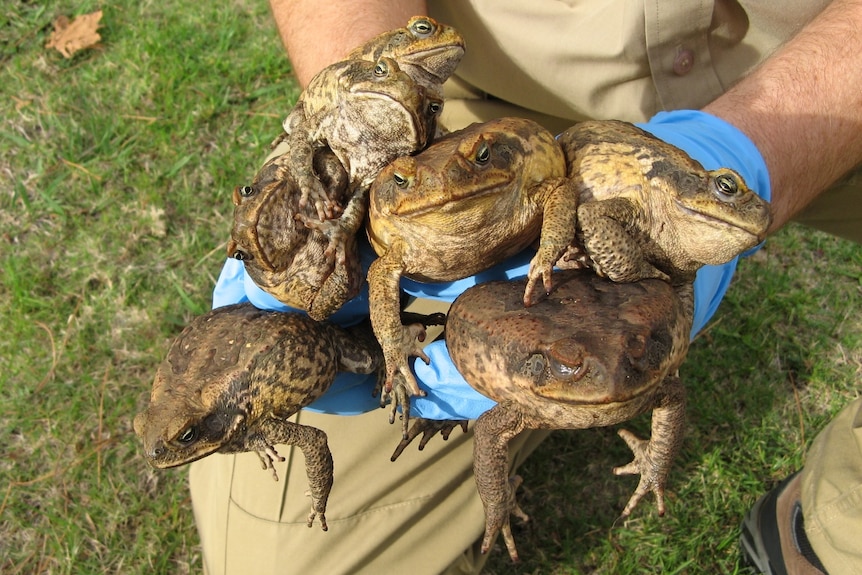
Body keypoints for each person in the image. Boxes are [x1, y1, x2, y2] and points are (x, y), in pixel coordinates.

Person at [189, 1, 862, 573]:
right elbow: (392, 267)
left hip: (818, 80)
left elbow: (568, 197)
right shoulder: (502, 388)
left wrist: (747, 152)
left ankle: (834, 517)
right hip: (490, 126)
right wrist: (367, 137)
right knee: (280, 553)